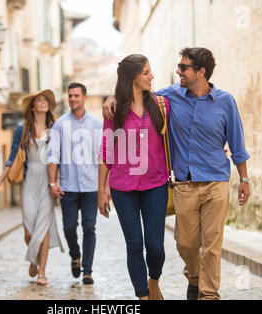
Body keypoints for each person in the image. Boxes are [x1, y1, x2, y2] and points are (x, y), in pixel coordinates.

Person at [103, 48, 251, 300]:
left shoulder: (225, 101)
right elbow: (135, 94)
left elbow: (237, 143)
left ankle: (208, 294)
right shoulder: (168, 97)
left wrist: (244, 179)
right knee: (186, 244)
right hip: (183, 184)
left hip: (216, 180)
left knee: (212, 245)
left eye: (183, 67)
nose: (177, 71)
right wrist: (112, 97)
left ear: (200, 72)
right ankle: (194, 279)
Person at [98, 54, 170, 300]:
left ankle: (154, 280)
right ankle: (143, 297)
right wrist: (101, 190)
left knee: (156, 247)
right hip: (123, 186)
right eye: (146, 72)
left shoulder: (161, 104)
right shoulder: (115, 111)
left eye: (151, 71)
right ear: (133, 77)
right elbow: (106, 152)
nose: (152, 76)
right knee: (134, 244)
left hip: (156, 183)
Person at [0, 89, 64, 286]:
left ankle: (42, 272)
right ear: (32, 107)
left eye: (45, 100)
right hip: (29, 179)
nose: (43, 102)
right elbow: (12, 156)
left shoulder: (55, 127)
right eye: (39, 100)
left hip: (48, 181)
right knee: (30, 231)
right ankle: (33, 258)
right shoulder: (22, 129)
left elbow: (61, 157)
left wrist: (57, 181)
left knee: (44, 227)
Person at [47, 83, 103, 285]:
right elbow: (52, 155)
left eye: (76, 95)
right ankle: (75, 255)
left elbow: (104, 158)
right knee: (69, 228)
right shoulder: (60, 125)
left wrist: (104, 187)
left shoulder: (97, 125)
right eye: (70, 96)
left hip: (91, 187)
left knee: (89, 227)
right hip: (68, 188)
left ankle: (87, 271)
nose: (72, 99)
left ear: (85, 97)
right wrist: (53, 182)